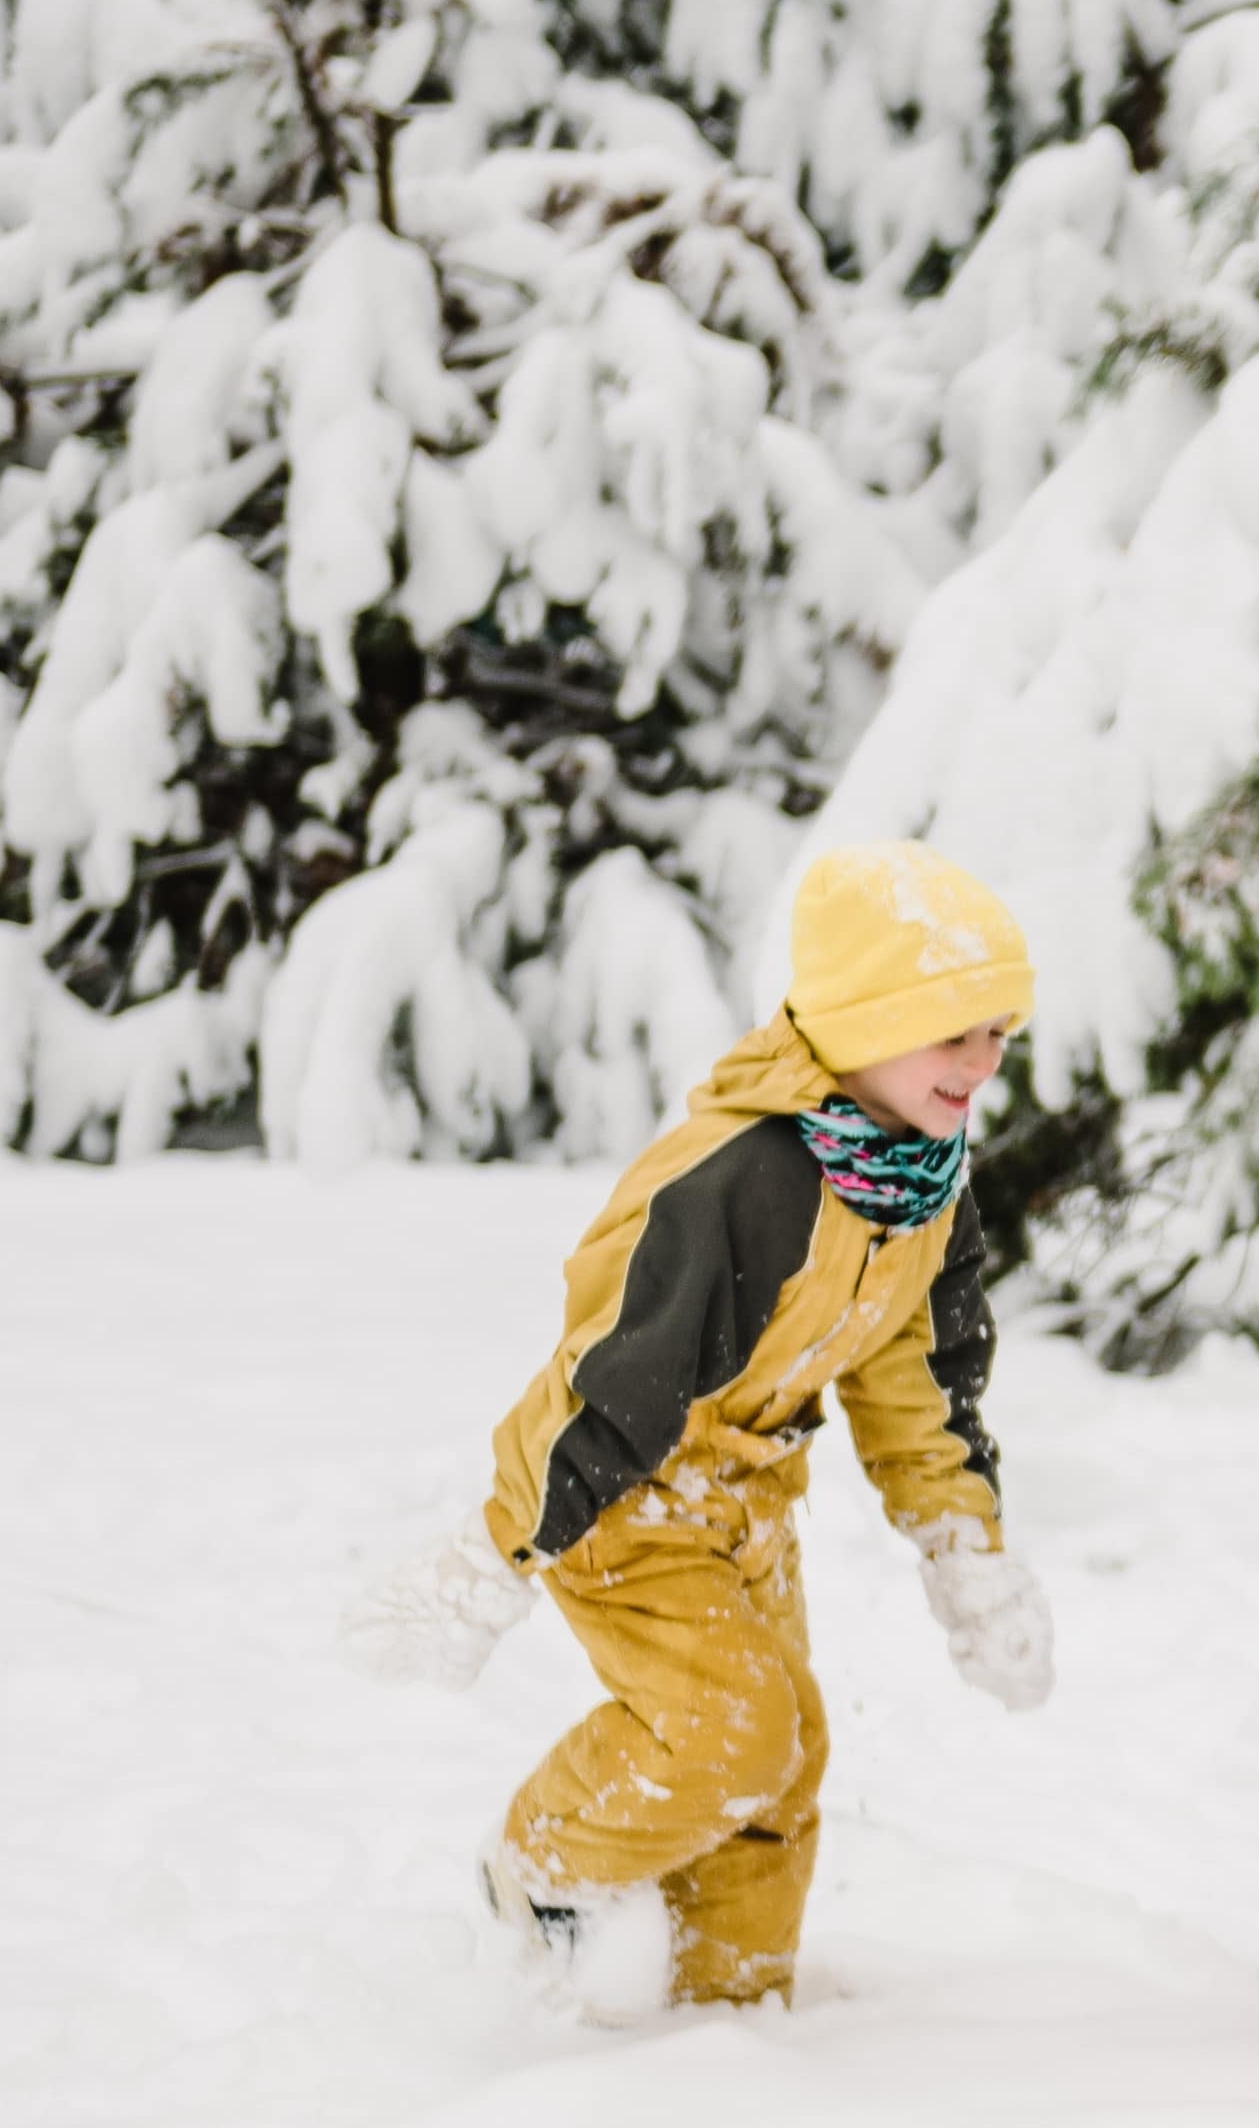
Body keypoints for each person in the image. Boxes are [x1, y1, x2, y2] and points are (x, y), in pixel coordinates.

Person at [342, 840, 1059, 2009]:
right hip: (626, 1494)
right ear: (863, 1017)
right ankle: (539, 1869)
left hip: (750, 1502)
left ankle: (728, 2017)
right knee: (731, 1726)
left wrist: (961, 1547)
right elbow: (607, 1373)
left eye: (1000, 1034)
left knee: (786, 1754)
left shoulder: (920, 1180)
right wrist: (495, 1553)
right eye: (954, 1030)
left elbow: (916, 1376)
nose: (983, 1062)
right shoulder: (742, 1177)